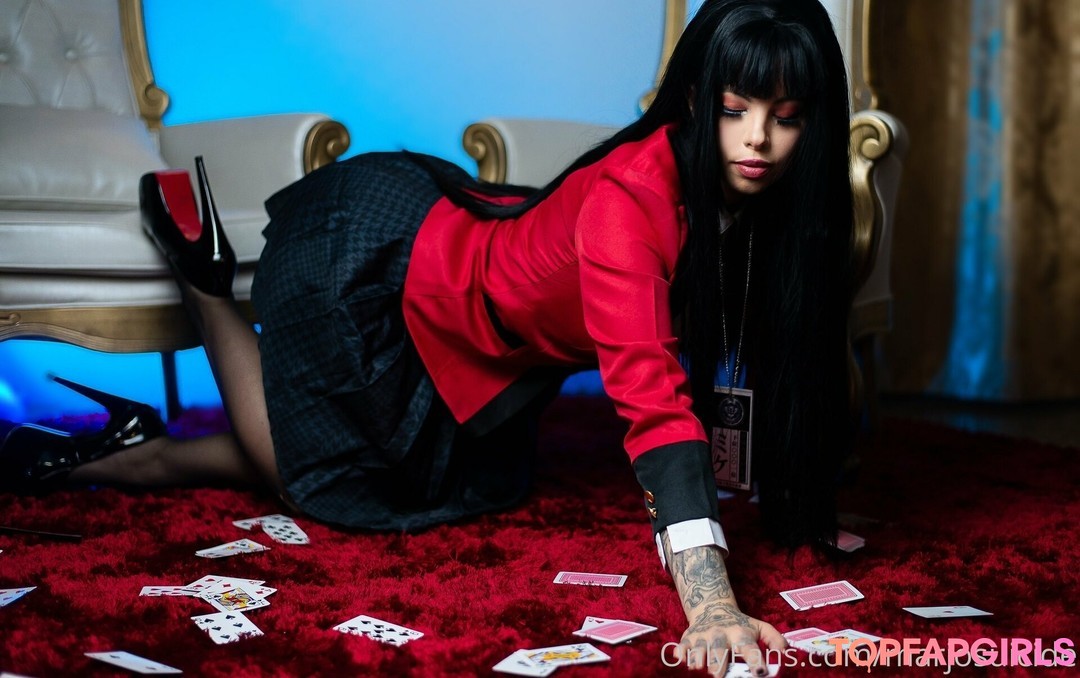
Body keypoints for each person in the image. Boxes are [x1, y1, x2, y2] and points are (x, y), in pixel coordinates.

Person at [0, 1, 854, 673]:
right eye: (736, 110)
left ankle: (130, 447)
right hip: (391, 282)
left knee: (386, 484)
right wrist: (711, 606)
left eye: (785, 117)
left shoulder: (770, 198)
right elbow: (652, 398)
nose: (758, 141)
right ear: (698, 101)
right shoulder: (630, 200)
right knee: (313, 485)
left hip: (497, 357)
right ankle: (203, 280)